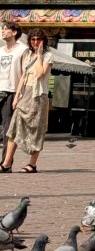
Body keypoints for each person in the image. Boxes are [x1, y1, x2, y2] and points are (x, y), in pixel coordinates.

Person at [1, 29, 53, 173]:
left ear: (43, 41)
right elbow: (23, 76)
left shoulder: (48, 56)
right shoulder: (27, 54)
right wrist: (17, 96)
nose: (35, 42)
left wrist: (39, 55)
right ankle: (6, 164)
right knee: (14, 128)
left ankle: (32, 164)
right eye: (33, 39)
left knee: (36, 129)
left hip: (38, 95)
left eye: (38, 39)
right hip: (25, 94)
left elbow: (40, 74)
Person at [0, 21, 25, 159]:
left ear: (14, 33)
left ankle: (5, 162)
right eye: (2, 29)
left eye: (6, 29)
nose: (3, 32)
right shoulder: (0, 50)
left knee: (8, 128)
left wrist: (19, 94)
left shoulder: (22, 50)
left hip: (11, 91)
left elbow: (24, 74)